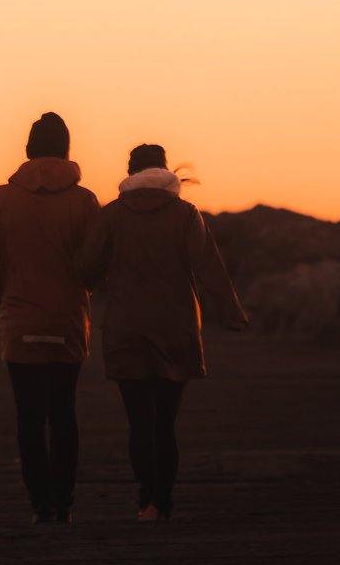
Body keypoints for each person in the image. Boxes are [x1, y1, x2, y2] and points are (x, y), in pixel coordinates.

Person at [76, 144, 248, 523]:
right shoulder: (185, 214)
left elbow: (86, 265)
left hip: (126, 329)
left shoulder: (113, 214)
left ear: (130, 172)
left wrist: (96, 285)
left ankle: (145, 501)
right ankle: (163, 501)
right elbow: (209, 267)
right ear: (167, 171)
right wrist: (233, 313)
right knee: (165, 424)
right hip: (176, 329)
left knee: (139, 422)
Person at [0, 113, 101, 524]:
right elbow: (97, 264)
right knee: (64, 412)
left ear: (27, 150)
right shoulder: (84, 201)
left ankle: (40, 504)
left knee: (28, 416)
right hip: (66, 321)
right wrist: (82, 290)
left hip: (19, 321)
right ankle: (64, 501)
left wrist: (6, 295)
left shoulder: (0, 198)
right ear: (66, 150)